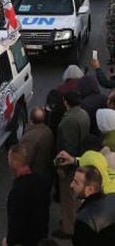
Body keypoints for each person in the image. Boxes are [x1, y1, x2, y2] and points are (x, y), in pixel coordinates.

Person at [54, 91, 90, 239]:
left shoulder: (68, 121)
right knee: (76, 198)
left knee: (68, 198)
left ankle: (68, 229)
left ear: (65, 102)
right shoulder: (84, 114)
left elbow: (66, 148)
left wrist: (62, 167)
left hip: (70, 167)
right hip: (81, 160)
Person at [2, 144, 50, 246]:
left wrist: (9, 242)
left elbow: (15, 223)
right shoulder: (41, 181)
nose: (8, 162)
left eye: (9, 159)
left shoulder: (17, 191)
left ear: (15, 163)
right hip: (41, 237)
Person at [71, 166, 115, 245]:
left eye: (76, 182)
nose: (71, 185)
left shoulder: (85, 219)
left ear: (90, 189)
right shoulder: (112, 197)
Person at [19, 107, 55, 187]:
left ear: (31, 119)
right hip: (46, 171)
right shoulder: (49, 131)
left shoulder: (29, 137)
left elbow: (25, 159)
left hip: (34, 175)